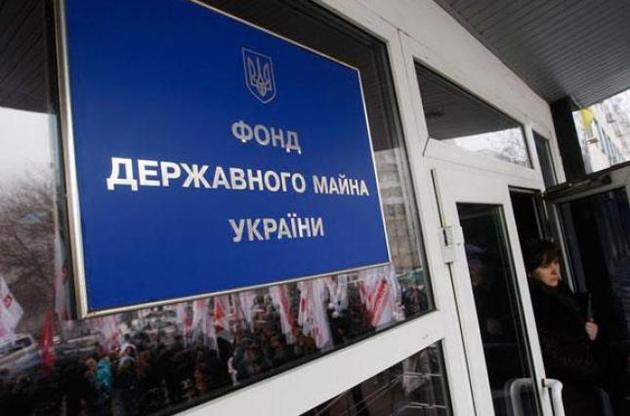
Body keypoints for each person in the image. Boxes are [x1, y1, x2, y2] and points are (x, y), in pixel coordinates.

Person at [523, 239, 603, 416]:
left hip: (579, 384)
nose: (555, 270)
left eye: (556, 263)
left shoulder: (561, 292)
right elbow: (552, 351)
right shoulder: (537, 303)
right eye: (546, 266)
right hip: (565, 388)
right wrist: (591, 366)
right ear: (530, 272)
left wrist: (592, 333)